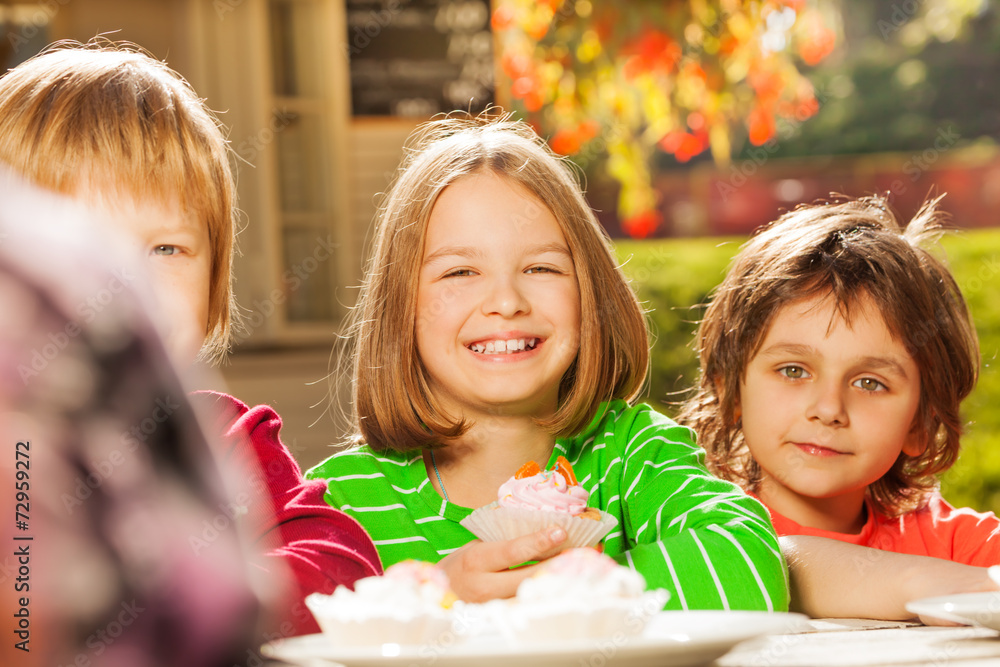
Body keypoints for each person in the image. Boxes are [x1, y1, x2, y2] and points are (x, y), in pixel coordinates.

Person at [305, 114, 788, 610]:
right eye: (460, 271)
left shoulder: (632, 455)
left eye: (541, 267)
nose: (506, 301)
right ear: (400, 306)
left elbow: (748, 566)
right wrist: (436, 598)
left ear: (589, 292)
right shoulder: (343, 500)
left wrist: (555, 591)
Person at [0, 42, 382, 637]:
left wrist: (206, 600)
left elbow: (339, 567)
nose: (125, 289)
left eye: (165, 250)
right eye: (88, 250)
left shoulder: (222, 442)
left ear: (215, 282)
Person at [679, 194, 1000, 619]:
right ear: (731, 391)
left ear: (920, 424)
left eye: (870, 383)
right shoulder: (690, 533)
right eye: (793, 371)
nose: (828, 409)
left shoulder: (961, 547)